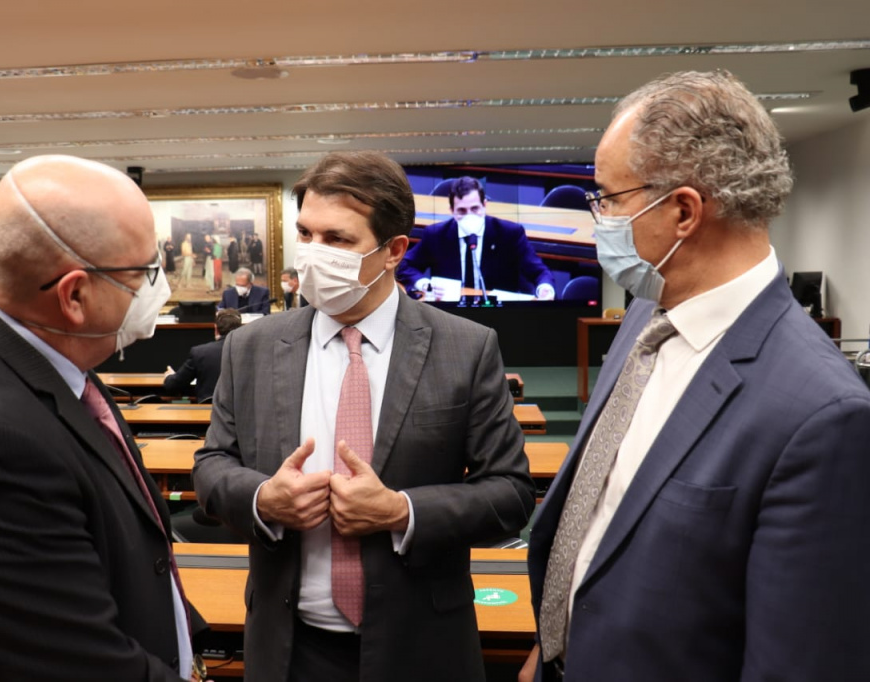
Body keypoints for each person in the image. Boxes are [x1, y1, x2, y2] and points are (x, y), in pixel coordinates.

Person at [522, 71, 870, 682]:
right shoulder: (647, 313)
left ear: (683, 211)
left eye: (608, 198)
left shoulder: (823, 416)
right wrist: (555, 644)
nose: (600, 217)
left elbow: (798, 659)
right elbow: (601, 510)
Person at [193, 150, 535, 682]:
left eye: (337, 239)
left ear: (393, 250)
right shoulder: (250, 347)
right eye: (305, 234)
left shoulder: (465, 348)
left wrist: (401, 511)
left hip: (421, 643)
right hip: (288, 647)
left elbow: (511, 493)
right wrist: (263, 498)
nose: (312, 253)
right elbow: (212, 464)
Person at [0, 155, 209, 681]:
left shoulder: (48, 363)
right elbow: (85, 666)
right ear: (74, 295)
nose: (158, 287)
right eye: (145, 272)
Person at [395, 177, 556, 299]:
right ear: (452, 211)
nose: (469, 215)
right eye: (462, 211)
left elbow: (539, 271)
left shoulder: (510, 233)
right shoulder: (437, 234)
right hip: (452, 312)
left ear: (484, 206)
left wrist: (545, 288)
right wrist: (424, 284)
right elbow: (404, 265)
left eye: (475, 209)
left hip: (498, 311)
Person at [163, 308, 243, 402]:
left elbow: (174, 385)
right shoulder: (252, 352)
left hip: (208, 408)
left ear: (216, 329)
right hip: (241, 409)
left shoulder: (200, 352)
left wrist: (169, 377)